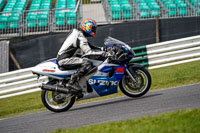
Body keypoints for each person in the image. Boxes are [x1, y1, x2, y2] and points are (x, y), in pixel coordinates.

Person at [57, 19, 102, 94]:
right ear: (87, 28)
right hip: (65, 59)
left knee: (85, 61)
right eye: (93, 28)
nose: (94, 30)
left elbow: (91, 47)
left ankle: (83, 83)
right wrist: (103, 54)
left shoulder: (79, 34)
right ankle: (72, 82)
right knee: (87, 63)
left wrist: (103, 49)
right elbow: (89, 52)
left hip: (66, 58)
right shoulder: (80, 38)